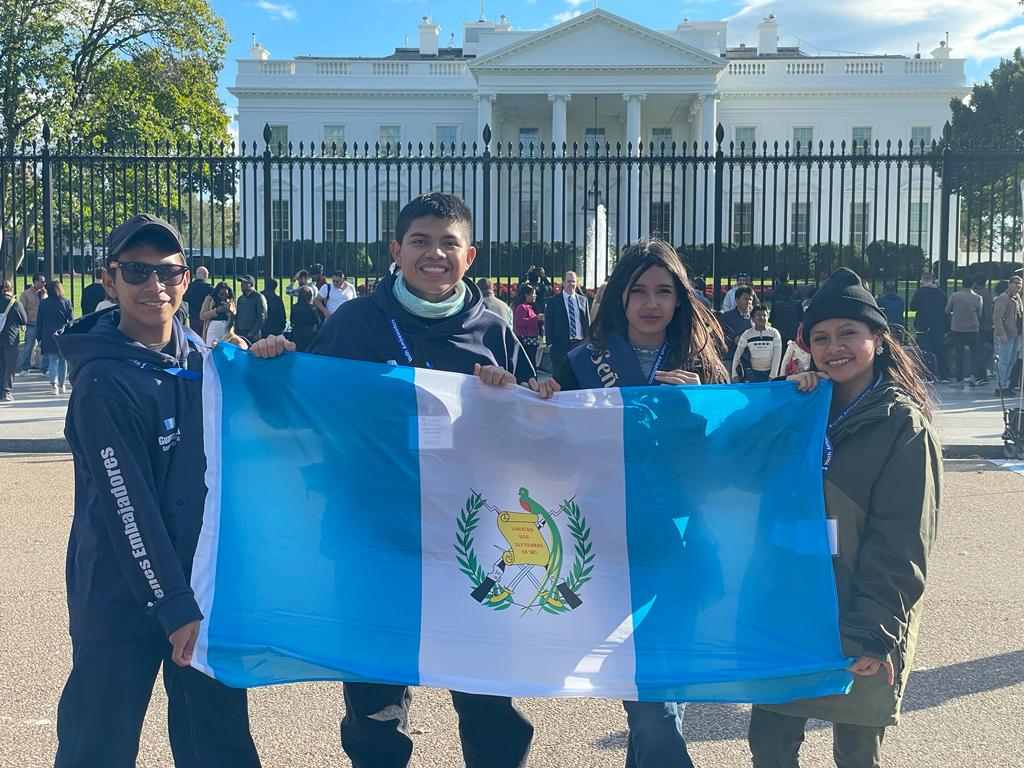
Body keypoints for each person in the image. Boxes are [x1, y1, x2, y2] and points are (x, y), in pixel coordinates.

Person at [251, 192, 549, 768]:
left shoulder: (494, 329)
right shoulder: (356, 323)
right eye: (420, 240)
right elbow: (307, 408)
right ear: (396, 250)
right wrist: (274, 362)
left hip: (474, 541)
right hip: (373, 536)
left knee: (487, 696)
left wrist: (521, 391)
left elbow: (534, 431)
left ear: (471, 257)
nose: (433, 253)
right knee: (375, 702)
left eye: (447, 243)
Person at [52, 213, 260, 768]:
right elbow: (128, 506)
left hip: (198, 585)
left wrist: (261, 368)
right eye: (136, 272)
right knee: (97, 746)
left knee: (217, 745)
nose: (154, 286)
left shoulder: (204, 363)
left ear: (187, 281)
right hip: (120, 593)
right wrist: (173, 604)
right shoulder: (102, 382)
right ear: (109, 280)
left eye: (167, 273)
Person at [750, 267, 940, 768]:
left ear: (878, 338)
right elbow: (743, 479)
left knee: (856, 753)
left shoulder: (903, 425)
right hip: (791, 611)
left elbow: (903, 541)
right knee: (769, 742)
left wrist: (875, 631)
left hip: (862, 610)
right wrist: (784, 407)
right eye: (821, 337)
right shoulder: (797, 407)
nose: (835, 347)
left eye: (848, 334)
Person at [552, 239, 727, 768]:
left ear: (679, 301)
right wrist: (539, 394)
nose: (651, 303)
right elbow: (549, 446)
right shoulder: (581, 364)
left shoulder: (699, 366)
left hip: (678, 543)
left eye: (664, 292)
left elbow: (721, 465)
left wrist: (697, 410)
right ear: (619, 298)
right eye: (639, 291)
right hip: (608, 543)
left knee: (656, 684)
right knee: (649, 692)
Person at [544, 270, 590, 370]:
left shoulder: (583, 300)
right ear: (563, 283)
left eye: (573, 281)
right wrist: (551, 343)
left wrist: (588, 340)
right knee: (561, 377)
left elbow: (587, 322)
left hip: (580, 344)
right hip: (561, 345)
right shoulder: (553, 301)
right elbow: (549, 323)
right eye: (568, 281)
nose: (571, 284)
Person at [945, 275, 984, 389]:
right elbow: (980, 314)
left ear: (962, 284)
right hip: (973, 328)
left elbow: (947, 310)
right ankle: (973, 376)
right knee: (975, 354)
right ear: (973, 285)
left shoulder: (955, 296)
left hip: (958, 328)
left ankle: (960, 380)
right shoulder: (978, 297)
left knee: (959, 354)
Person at [37, 279, 74, 395]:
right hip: (62, 333)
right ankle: (62, 384)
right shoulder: (66, 302)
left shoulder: (43, 304)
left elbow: (40, 322)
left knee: (53, 360)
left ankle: (53, 385)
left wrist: (39, 338)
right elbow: (71, 321)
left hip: (48, 334)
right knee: (63, 361)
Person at [909, 272, 948, 381]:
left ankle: (928, 375)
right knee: (940, 350)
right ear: (933, 280)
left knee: (925, 351)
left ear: (923, 280)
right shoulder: (941, 293)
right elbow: (946, 308)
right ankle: (944, 375)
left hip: (923, 325)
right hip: (938, 325)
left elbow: (912, 307)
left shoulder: (920, 292)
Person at [732, 305, 782, 382]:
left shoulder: (774, 333)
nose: (762, 318)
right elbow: (737, 354)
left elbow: (777, 356)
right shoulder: (747, 334)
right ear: (752, 319)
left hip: (770, 373)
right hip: (752, 374)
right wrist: (734, 375)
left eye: (764, 315)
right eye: (759, 315)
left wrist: (773, 375)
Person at [992, 275, 1022, 396]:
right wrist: (1002, 333)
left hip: (1015, 333)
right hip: (1006, 334)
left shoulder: (1016, 297)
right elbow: (997, 317)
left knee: (1012, 359)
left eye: (1020, 284)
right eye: (1015, 283)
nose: (1018, 286)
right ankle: (1000, 386)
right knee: (1004, 360)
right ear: (1009, 284)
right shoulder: (1003, 298)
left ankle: (1005, 383)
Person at [0, 280, 27, 401]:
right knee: (10, 366)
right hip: (10, 338)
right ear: (10, 289)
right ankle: (6, 391)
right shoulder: (14, 303)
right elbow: (24, 320)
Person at [719, 285, 754, 370]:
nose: (748, 302)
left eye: (750, 299)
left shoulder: (754, 317)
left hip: (749, 358)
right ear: (737, 300)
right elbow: (719, 335)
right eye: (745, 299)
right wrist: (735, 339)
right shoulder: (726, 317)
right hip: (730, 357)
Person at [18, 273, 47, 373]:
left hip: (43, 324)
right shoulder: (26, 294)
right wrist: (22, 323)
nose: (44, 284)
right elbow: (21, 309)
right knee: (28, 347)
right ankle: (25, 367)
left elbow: (46, 305)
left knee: (44, 346)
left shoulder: (45, 293)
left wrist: (44, 295)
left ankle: (44, 368)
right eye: (42, 282)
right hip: (31, 323)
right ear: (35, 282)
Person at [513, 283, 543, 368]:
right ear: (526, 295)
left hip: (531, 340)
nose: (535, 296)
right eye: (533, 294)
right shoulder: (521, 307)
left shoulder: (530, 307)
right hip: (525, 340)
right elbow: (521, 322)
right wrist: (536, 318)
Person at [288, 285, 322, 352]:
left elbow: (292, 320)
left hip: (297, 333)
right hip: (310, 334)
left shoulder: (294, 307)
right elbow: (318, 323)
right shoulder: (312, 308)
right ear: (310, 297)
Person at [182, 265, 215, 335]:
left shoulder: (189, 287)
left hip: (193, 316)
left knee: (195, 336)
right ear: (205, 275)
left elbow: (184, 300)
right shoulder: (209, 288)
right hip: (205, 317)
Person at [235, 275, 267, 344]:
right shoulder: (241, 298)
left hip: (253, 334)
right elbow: (238, 315)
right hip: (241, 332)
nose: (242, 285)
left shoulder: (259, 297)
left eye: (245, 283)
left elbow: (262, 317)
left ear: (251, 284)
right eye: (241, 283)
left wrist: (252, 333)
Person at [768, 282, 802, 346]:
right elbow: (801, 320)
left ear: (780, 294)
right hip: (793, 334)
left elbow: (771, 319)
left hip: (778, 334)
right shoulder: (797, 304)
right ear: (792, 294)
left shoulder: (776, 304)